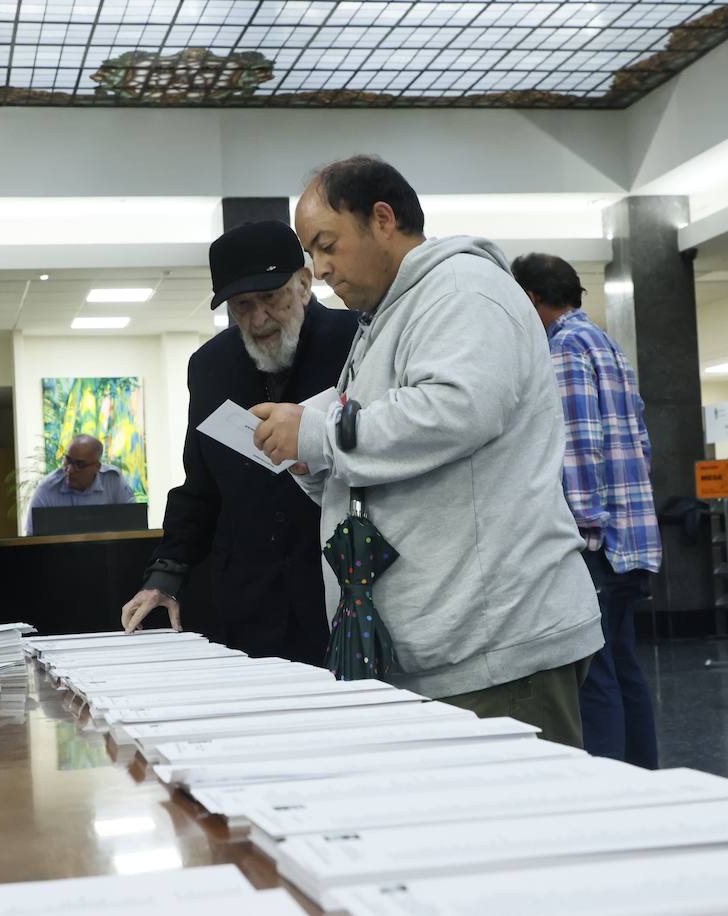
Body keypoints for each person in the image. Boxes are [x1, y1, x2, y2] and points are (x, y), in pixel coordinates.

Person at [251, 156, 602, 746]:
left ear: (383, 219)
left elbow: (456, 409)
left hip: (497, 650)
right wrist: (308, 455)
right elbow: (372, 441)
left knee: (512, 833)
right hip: (442, 648)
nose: (322, 268)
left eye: (327, 245)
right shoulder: (387, 315)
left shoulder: (464, 291)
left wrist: (316, 433)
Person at [120, 220, 360, 663]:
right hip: (248, 607)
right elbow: (200, 489)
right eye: (241, 305)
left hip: (342, 595)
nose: (258, 319)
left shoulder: (355, 342)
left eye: (270, 298)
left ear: (304, 284)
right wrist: (164, 575)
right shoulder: (212, 367)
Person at [511, 252, 662, 768]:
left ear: (531, 298)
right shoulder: (607, 345)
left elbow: (578, 448)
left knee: (593, 675)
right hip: (631, 538)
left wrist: (582, 533)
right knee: (623, 666)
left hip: (596, 544)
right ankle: (644, 777)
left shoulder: (563, 347)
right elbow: (640, 443)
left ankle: (612, 784)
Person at [24, 434, 135, 533]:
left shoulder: (113, 481)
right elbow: (32, 538)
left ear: (97, 467)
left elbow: (134, 525)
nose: (70, 470)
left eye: (80, 464)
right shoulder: (47, 488)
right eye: (68, 460)